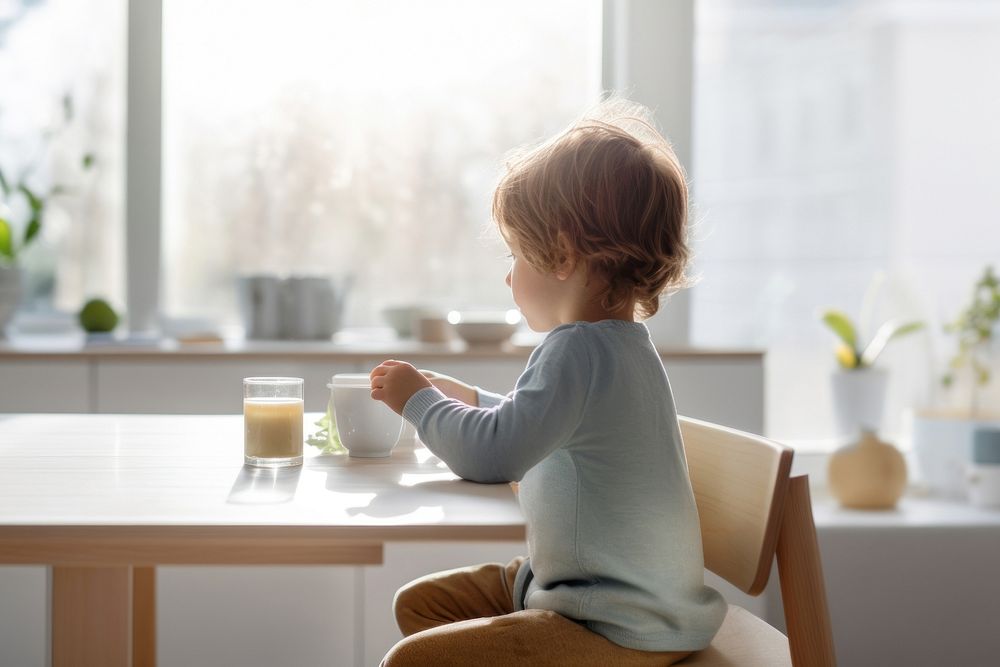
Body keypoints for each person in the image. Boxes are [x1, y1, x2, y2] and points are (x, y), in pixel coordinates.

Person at [369, 98, 726, 666]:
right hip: (594, 590)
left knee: (410, 659)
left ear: (560, 255)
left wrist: (418, 402)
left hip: (613, 622)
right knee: (422, 605)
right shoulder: (620, 345)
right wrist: (465, 398)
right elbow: (543, 426)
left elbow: (496, 454)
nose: (510, 274)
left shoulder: (577, 349)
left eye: (517, 254)